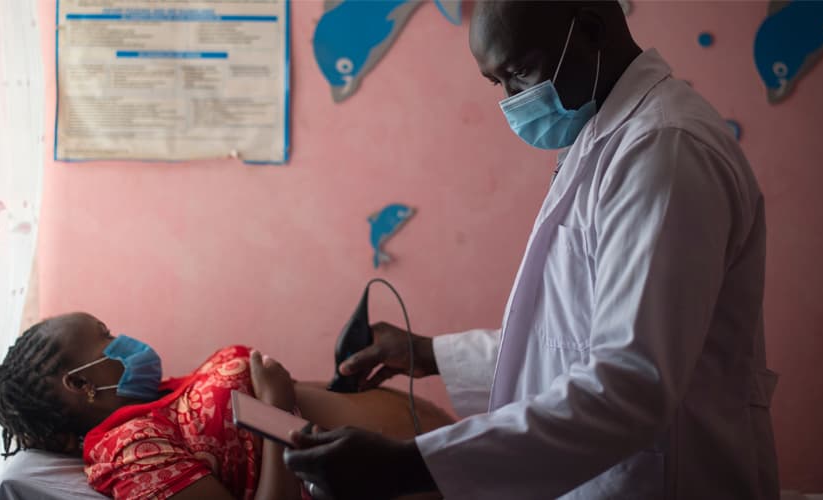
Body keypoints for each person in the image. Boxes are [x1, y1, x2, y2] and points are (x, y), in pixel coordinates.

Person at [283, 1, 780, 499]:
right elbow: (568, 340)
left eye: (520, 72)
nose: (512, 101)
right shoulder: (607, 138)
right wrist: (429, 354)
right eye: (496, 83)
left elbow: (631, 383)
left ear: (590, 31)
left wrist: (408, 466)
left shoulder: (663, 150)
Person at [0, 312, 452, 500]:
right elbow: (281, 421)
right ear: (81, 383)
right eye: (106, 335)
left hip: (446, 461)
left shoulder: (165, 396)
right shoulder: (128, 450)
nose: (121, 338)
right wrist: (278, 408)